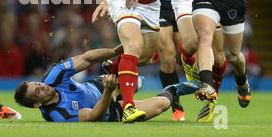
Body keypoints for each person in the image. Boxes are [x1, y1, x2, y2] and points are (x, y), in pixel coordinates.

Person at [14, 45, 199, 122]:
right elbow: (94, 115)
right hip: (107, 109)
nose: (42, 87)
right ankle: (174, 91)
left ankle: (129, 76)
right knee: (162, 105)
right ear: (37, 104)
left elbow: (86, 59)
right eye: (37, 92)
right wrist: (109, 92)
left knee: (128, 59)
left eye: (38, 84)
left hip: (98, 85)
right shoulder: (59, 115)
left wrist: (114, 50)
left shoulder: (54, 76)